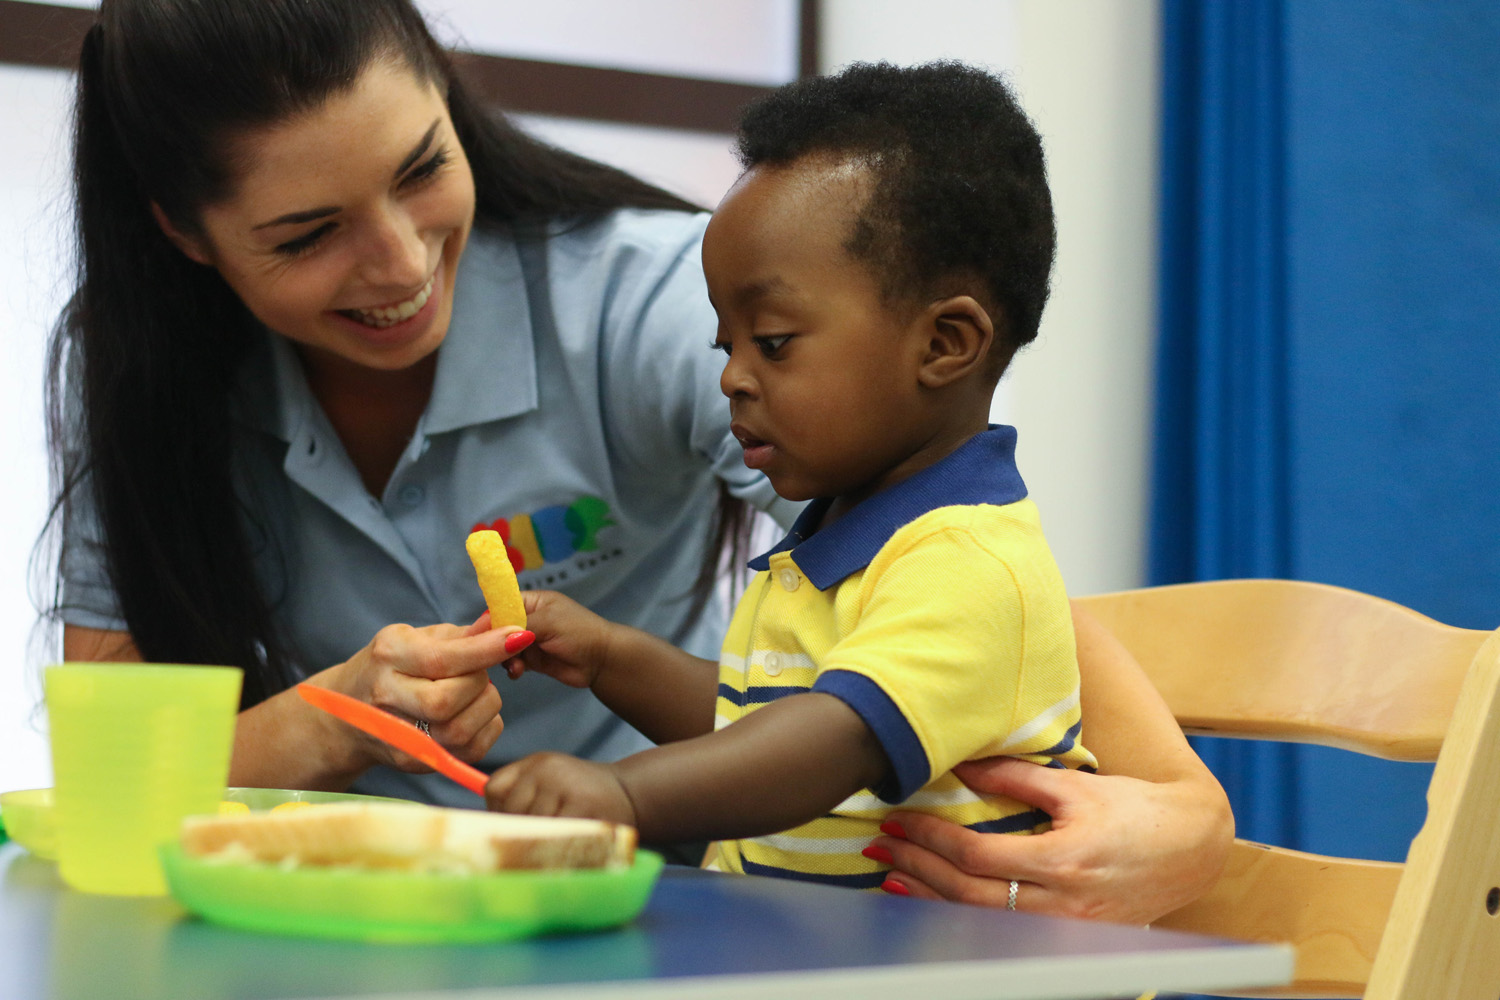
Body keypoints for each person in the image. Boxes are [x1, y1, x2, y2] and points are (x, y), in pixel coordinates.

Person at [43, 0, 1229, 920]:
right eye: (308, 235)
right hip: (314, 917)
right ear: (183, 234)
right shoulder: (142, 381)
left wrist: (1188, 804)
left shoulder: (653, 303)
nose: (400, 263)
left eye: (420, 169)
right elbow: (108, 773)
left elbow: (955, 567)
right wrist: (334, 717)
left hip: (650, 908)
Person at [483, 62, 1126, 892]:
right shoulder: (833, 544)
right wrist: (610, 657)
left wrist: (622, 794)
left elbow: (834, 742)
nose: (732, 379)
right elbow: (756, 725)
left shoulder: (971, 562)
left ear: (944, 344)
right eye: (727, 346)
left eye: (774, 341)